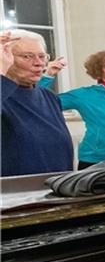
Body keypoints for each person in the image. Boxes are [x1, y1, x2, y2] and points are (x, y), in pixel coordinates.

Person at [1, 30, 73, 176]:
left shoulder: (49, 97)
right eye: (27, 56)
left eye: (42, 56)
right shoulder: (4, 95)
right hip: (14, 194)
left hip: (55, 188)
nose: (38, 63)